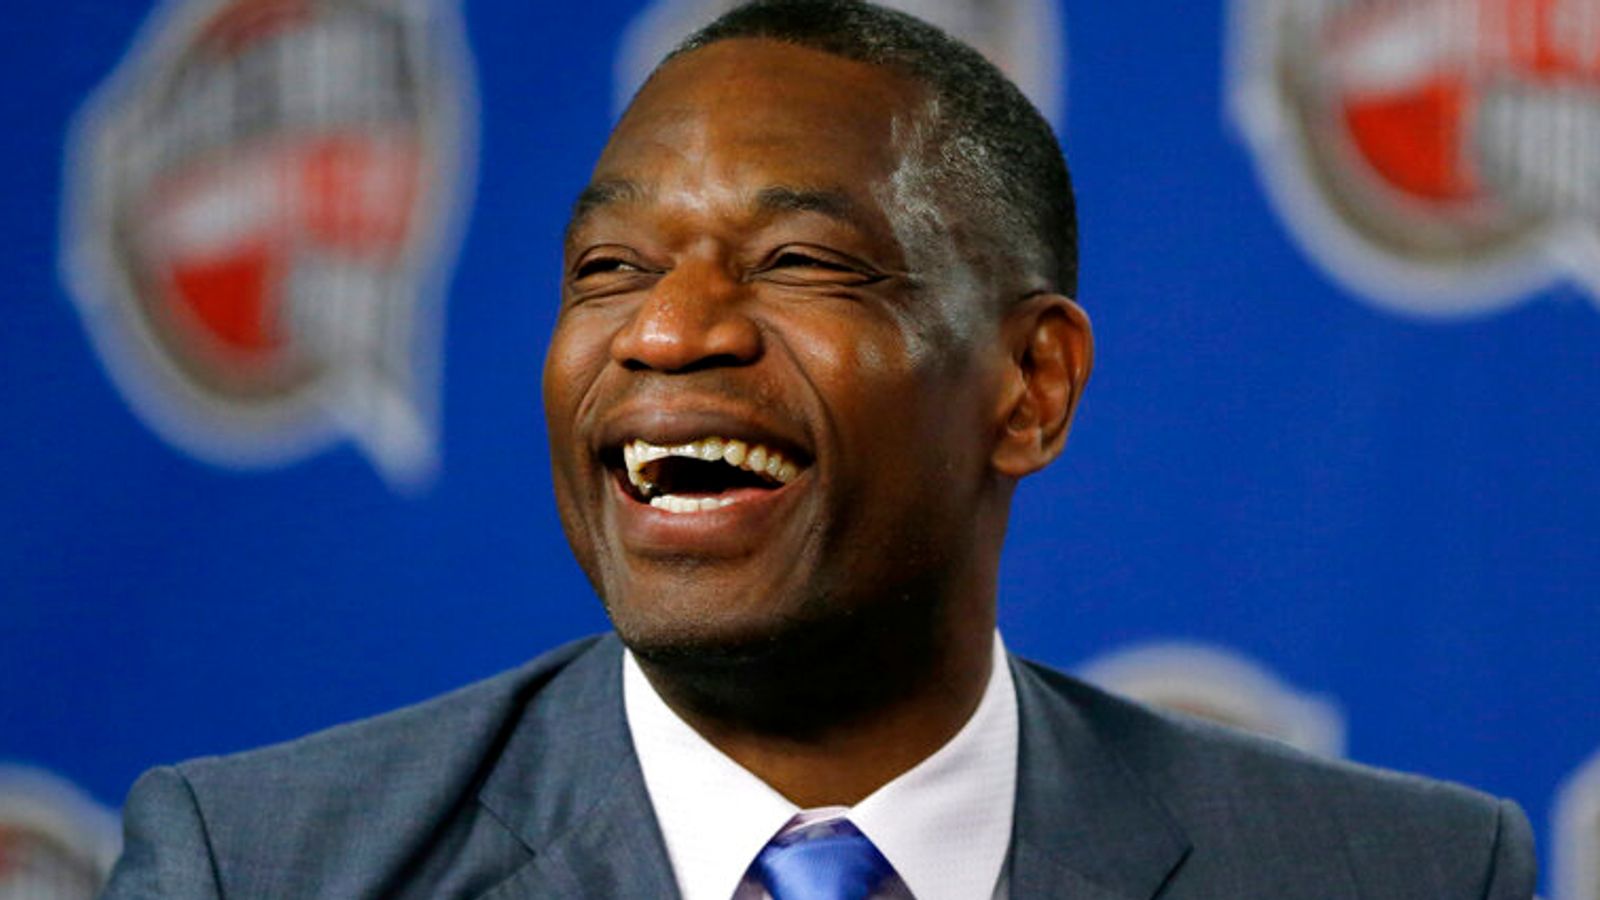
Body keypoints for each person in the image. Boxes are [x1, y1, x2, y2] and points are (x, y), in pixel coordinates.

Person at [101, 2, 1536, 897]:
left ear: (1031, 387)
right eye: (609, 267)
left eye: (796, 260)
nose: (666, 333)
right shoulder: (264, 866)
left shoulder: (1391, 874)